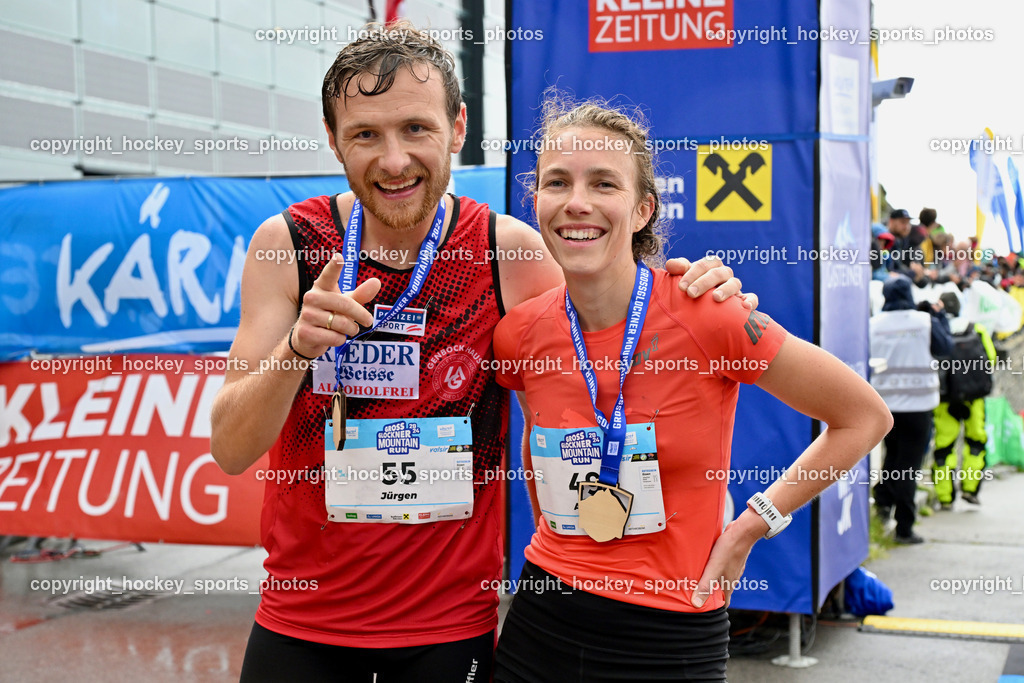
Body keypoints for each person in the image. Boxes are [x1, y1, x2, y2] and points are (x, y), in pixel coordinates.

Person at [209, 21, 750, 682]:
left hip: (448, 630)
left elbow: (619, 342)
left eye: (416, 129)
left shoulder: (509, 251)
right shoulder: (289, 243)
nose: (394, 160)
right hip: (302, 624)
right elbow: (232, 448)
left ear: (457, 128)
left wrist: (698, 289)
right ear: (332, 139)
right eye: (365, 135)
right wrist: (297, 348)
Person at [490, 98, 892, 682]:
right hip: (543, 621)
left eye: (604, 183)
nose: (577, 202)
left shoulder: (708, 314)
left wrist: (751, 527)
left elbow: (863, 417)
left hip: (672, 630)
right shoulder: (519, 333)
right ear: (537, 202)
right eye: (558, 182)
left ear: (642, 208)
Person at [870, 276, 952, 544]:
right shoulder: (924, 321)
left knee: (892, 458)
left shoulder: (873, 325)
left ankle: (882, 503)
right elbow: (946, 348)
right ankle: (904, 527)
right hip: (919, 407)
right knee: (909, 466)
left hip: (885, 407)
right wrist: (939, 318)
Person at [932, 291, 995, 508]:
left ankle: (945, 497)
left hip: (945, 400)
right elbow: (991, 358)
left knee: (944, 447)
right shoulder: (976, 329)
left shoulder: (938, 330)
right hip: (973, 399)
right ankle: (970, 489)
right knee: (975, 442)